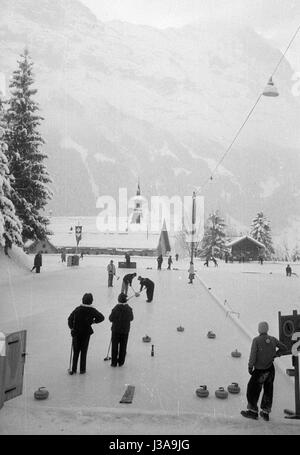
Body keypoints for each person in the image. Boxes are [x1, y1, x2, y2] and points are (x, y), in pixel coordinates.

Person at [241, 321, 287, 421]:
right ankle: (265, 412)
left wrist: (250, 366)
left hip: (260, 371)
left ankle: (253, 411)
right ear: (267, 329)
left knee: (252, 389)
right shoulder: (273, 339)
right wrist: (276, 354)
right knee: (268, 390)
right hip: (270, 369)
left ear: (259, 329)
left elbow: (253, 354)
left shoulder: (256, 340)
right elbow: (284, 348)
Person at [67, 293, 104, 375]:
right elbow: (101, 317)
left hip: (76, 333)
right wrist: (93, 321)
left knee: (76, 351)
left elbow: (70, 319)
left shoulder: (77, 309)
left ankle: (73, 369)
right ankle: (82, 369)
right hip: (86, 333)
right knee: (84, 351)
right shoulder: (92, 310)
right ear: (91, 301)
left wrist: (72, 328)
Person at [109, 293, 134, 367]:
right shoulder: (129, 308)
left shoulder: (116, 308)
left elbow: (110, 318)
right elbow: (131, 318)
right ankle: (121, 362)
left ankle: (114, 362)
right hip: (125, 330)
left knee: (114, 346)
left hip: (116, 330)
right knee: (123, 346)